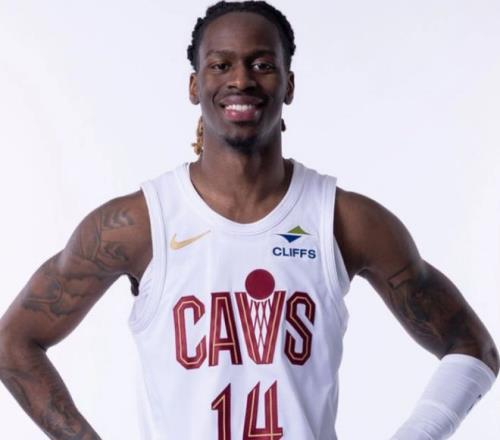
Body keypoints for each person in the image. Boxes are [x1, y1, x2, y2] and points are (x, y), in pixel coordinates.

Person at [0, 1, 498, 439]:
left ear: (289, 84)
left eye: (262, 64)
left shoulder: (344, 219)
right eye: (221, 65)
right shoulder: (138, 223)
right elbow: (13, 342)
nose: (241, 80)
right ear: (195, 85)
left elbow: (472, 347)